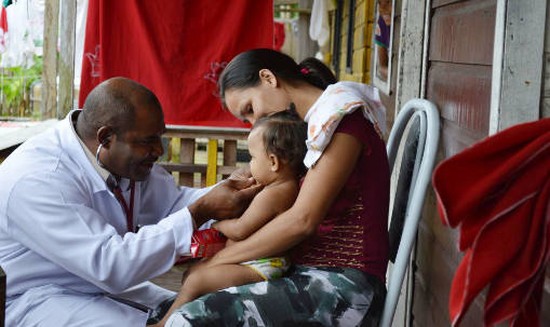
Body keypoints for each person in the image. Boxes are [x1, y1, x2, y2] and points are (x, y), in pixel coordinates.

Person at [0, 77, 262, 327]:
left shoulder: (115, 158)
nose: (159, 151)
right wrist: (200, 211)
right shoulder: (39, 179)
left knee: (195, 312)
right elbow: (109, 263)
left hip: (92, 285)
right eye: (148, 141)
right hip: (33, 299)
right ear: (106, 138)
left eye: (160, 137)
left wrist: (238, 186)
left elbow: (174, 203)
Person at [164, 48, 390, 326]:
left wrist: (221, 259)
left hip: (346, 287)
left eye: (249, 109)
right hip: (306, 273)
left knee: (187, 319)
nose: (253, 123)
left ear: (268, 78)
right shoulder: (315, 126)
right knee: (166, 306)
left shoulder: (343, 121)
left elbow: (301, 221)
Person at [152, 110, 308, 326]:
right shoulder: (277, 187)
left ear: (273, 162)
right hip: (249, 261)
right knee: (193, 274)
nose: (249, 164)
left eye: (253, 157)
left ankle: (166, 323)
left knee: (196, 280)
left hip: (259, 267)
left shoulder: (275, 193)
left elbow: (240, 230)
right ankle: (183, 316)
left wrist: (215, 220)